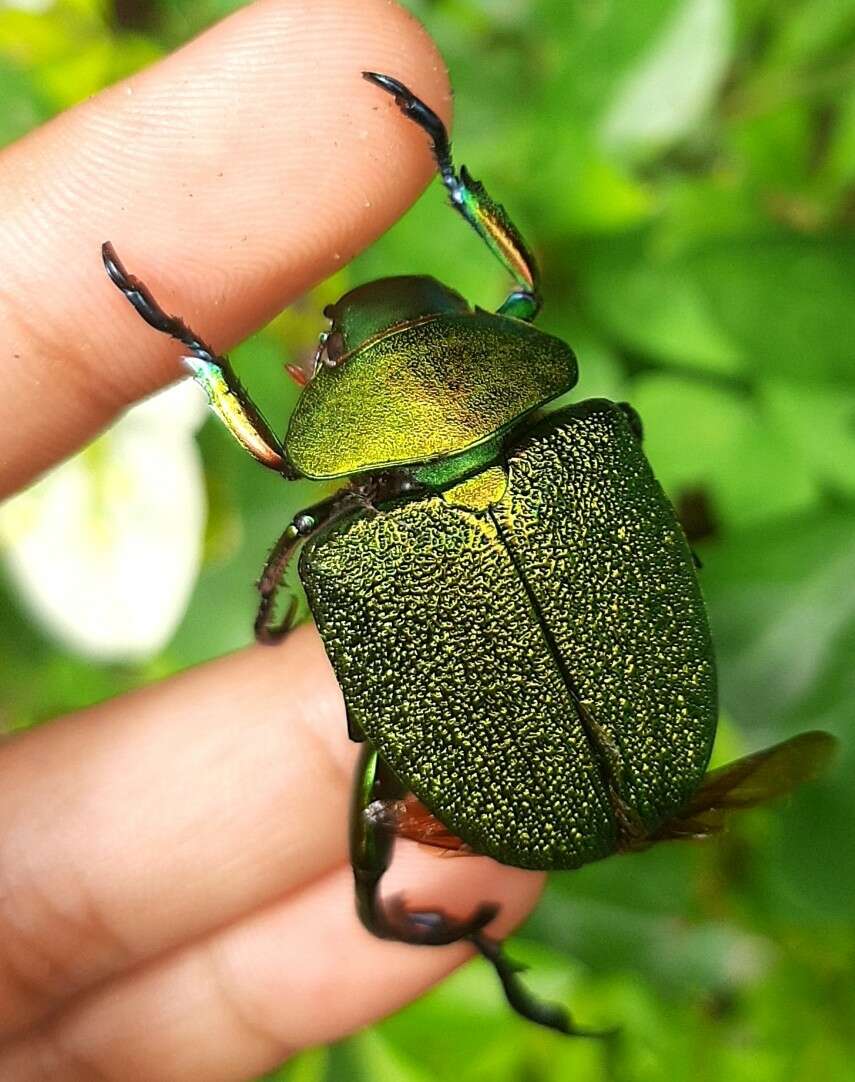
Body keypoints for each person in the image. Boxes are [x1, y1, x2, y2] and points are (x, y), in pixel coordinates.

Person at [0, 2, 542, 1077]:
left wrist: (198, 354)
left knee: (314, 546)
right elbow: (521, 293)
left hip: (519, 716)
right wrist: (451, 174)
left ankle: (422, 922)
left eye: (331, 351)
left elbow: (296, 503)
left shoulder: (338, 497)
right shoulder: (574, 437)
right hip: (585, 713)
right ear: (474, 339)